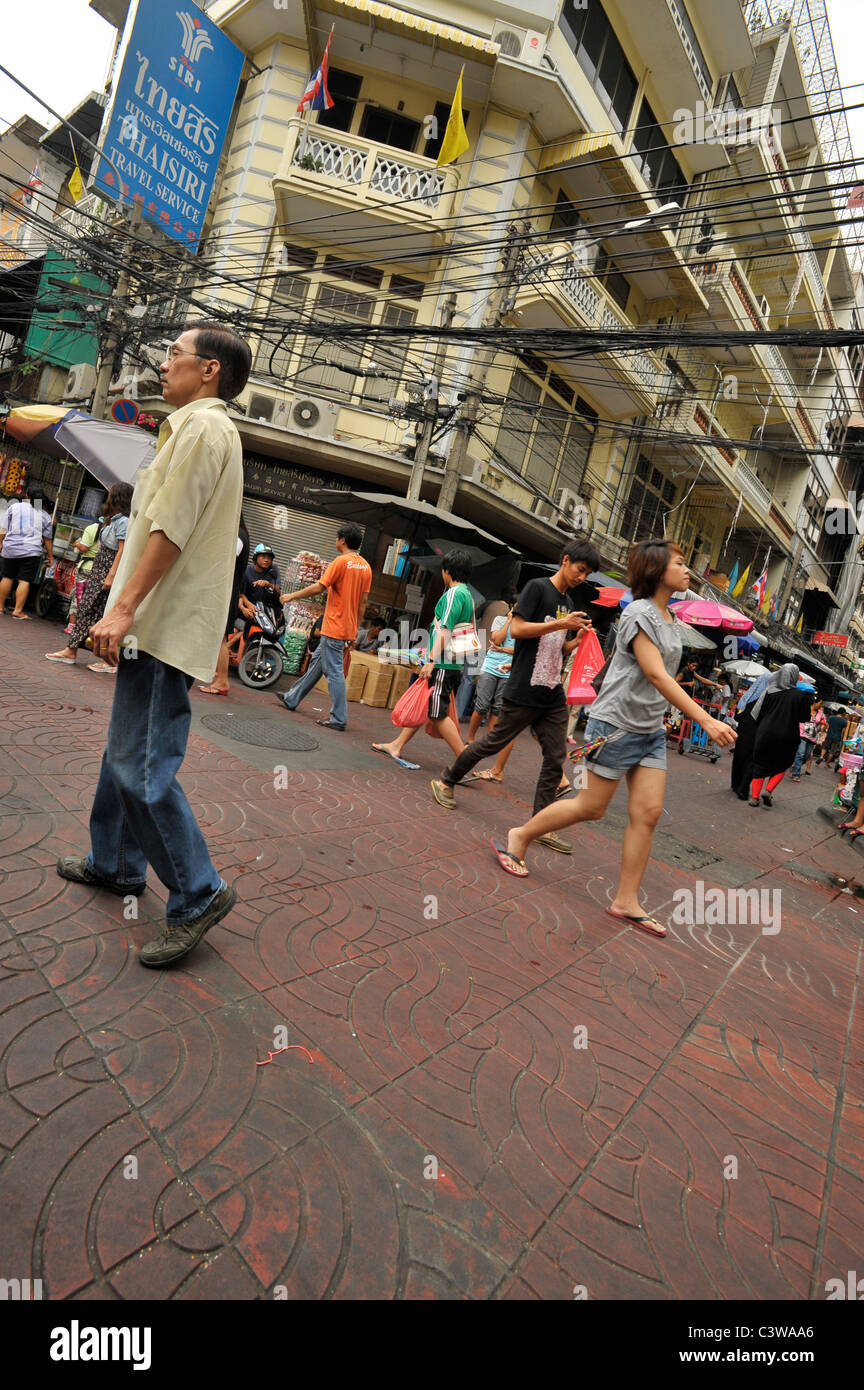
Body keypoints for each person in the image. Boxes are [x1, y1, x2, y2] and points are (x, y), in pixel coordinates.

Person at [54, 320, 253, 968]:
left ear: (209, 371)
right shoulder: (197, 427)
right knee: (127, 752)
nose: (164, 364)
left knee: (143, 768)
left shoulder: (202, 427)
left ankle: (198, 893)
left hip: (163, 627)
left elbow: (170, 527)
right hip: (154, 623)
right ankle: (115, 863)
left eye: (176, 355)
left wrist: (127, 608)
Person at [486, 539, 736, 936]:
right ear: (656, 570)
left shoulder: (669, 617)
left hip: (650, 729)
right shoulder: (639, 613)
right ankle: (520, 835)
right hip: (616, 724)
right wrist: (705, 719)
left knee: (648, 814)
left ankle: (627, 900)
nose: (688, 571)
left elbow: (660, 679)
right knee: (592, 806)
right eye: (680, 563)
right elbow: (656, 673)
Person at [428, 538, 602, 854]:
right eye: (580, 569)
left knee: (554, 757)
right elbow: (519, 631)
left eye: (587, 573)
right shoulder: (537, 588)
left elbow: (554, 647)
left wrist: (572, 643)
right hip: (523, 688)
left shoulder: (568, 601)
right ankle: (446, 781)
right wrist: (563, 623)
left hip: (551, 692)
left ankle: (540, 824)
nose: (582, 577)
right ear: (565, 561)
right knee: (491, 742)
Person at [372, 548, 476, 766]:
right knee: (427, 703)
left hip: (442, 663)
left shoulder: (453, 595)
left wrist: (431, 660)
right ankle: (397, 745)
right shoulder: (467, 595)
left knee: (437, 713)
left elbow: (446, 629)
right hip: (450, 662)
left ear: (447, 571)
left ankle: (464, 759)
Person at [277, 523, 371, 730]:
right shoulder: (365, 566)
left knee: (334, 672)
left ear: (343, 540)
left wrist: (292, 595)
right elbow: (363, 602)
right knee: (317, 664)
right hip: (346, 627)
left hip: (333, 626)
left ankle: (339, 718)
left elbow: (319, 587)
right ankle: (292, 698)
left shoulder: (340, 562)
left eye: (337, 538)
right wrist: (355, 628)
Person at [44, 483, 133, 670]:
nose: (107, 498)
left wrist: (111, 575)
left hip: (106, 572)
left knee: (102, 612)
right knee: (86, 608)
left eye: (110, 495)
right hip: (98, 570)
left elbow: (122, 551)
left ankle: (108, 660)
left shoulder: (123, 521)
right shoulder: (111, 520)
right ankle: (71, 649)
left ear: (117, 497)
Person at [198, 516, 250, 695]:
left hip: (227, 593)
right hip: (226, 592)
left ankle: (222, 681)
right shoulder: (239, 534)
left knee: (220, 638)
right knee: (218, 638)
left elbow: (225, 557)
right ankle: (219, 679)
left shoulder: (240, 536)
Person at [748, 671, 814, 806]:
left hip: (765, 732)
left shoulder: (769, 691)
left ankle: (754, 798)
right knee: (782, 764)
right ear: (795, 677)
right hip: (788, 734)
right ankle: (768, 790)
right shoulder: (802, 695)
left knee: (760, 763)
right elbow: (805, 718)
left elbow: (758, 712)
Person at [0, 483, 53, 619]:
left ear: (27, 495)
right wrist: (51, 557)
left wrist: (0, 543)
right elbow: (47, 539)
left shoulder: (14, 507)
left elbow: (3, 529)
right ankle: (17, 611)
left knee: (7, 577)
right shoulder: (45, 516)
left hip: (10, 548)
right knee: (24, 580)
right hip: (31, 551)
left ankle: (0, 607)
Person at [467, 600, 515, 741]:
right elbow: (497, 639)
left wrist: (501, 649)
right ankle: (470, 739)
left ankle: (489, 743)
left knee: (498, 709)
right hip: (490, 667)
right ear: (512, 606)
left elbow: (521, 652)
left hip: (509, 671)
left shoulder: (524, 627)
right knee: (481, 705)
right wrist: (508, 622)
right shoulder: (500, 620)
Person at [65, 518, 101, 633]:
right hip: (100, 570)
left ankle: (72, 626)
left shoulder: (91, 528)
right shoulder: (110, 529)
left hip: (86, 568)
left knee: (78, 596)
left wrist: (76, 543)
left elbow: (84, 547)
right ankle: (84, 628)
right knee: (91, 599)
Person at [791, 698, 826, 780]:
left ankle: (795, 765)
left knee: (806, 756)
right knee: (801, 753)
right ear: (814, 703)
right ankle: (796, 774)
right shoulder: (805, 709)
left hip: (812, 737)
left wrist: (821, 727)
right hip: (802, 734)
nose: (820, 706)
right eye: (820, 703)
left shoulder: (820, 713)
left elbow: (824, 723)